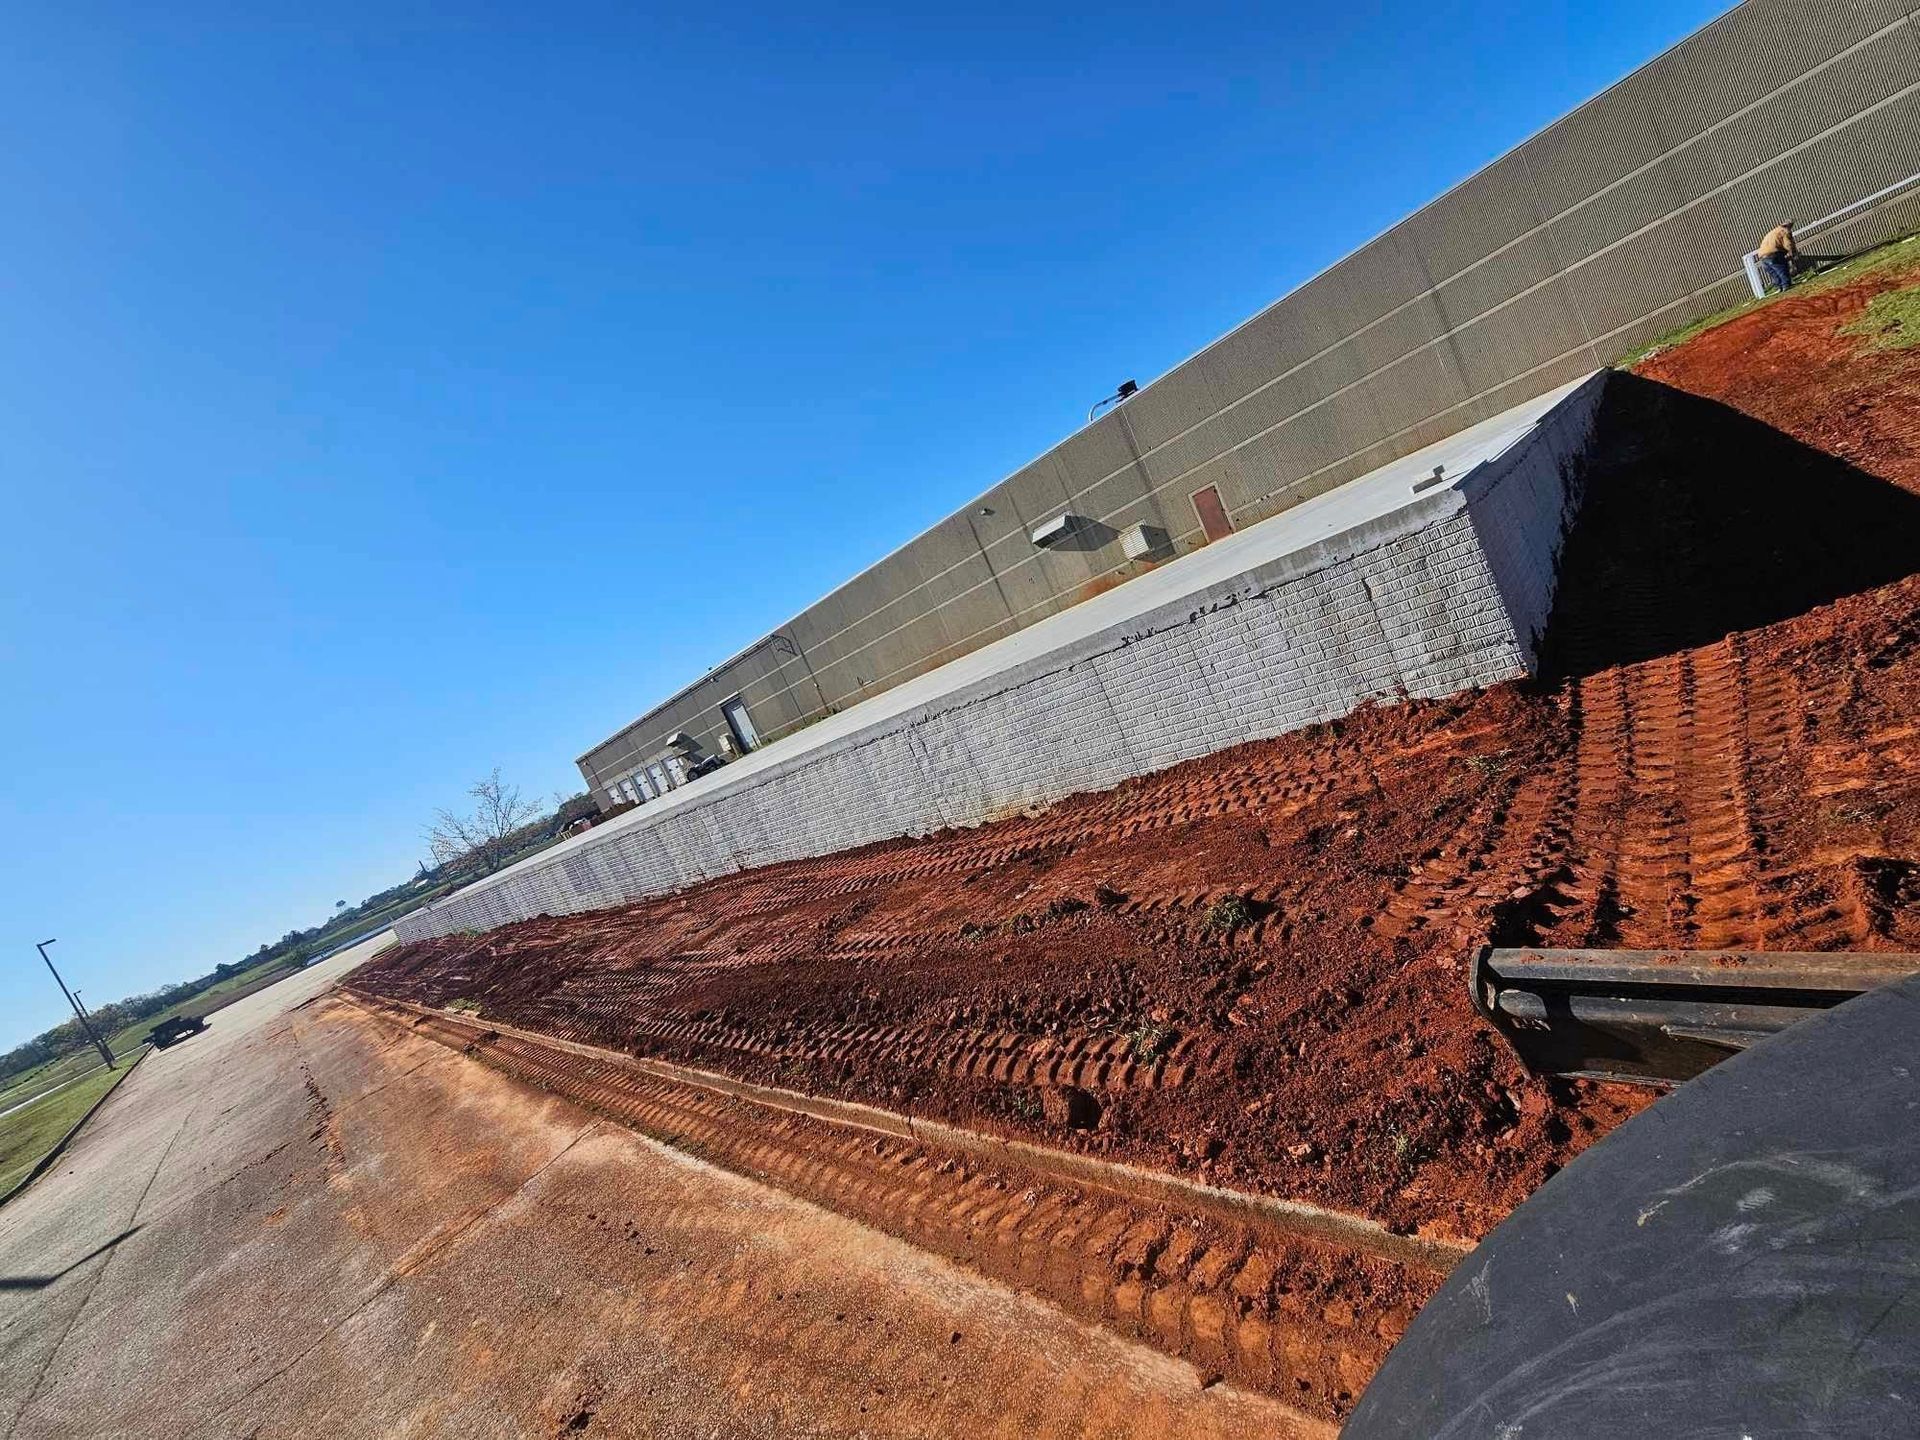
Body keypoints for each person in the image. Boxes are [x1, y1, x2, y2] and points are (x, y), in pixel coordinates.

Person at [1757, 221, 1799, 292]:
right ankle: (1786, 285)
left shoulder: (1773, 231)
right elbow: (1788, 244)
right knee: (1782, 269)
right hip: (1773, 253)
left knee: (1774, 273)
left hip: (1762, 256)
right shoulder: (1785, 231)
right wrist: (1793, 253)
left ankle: (1779, 287)